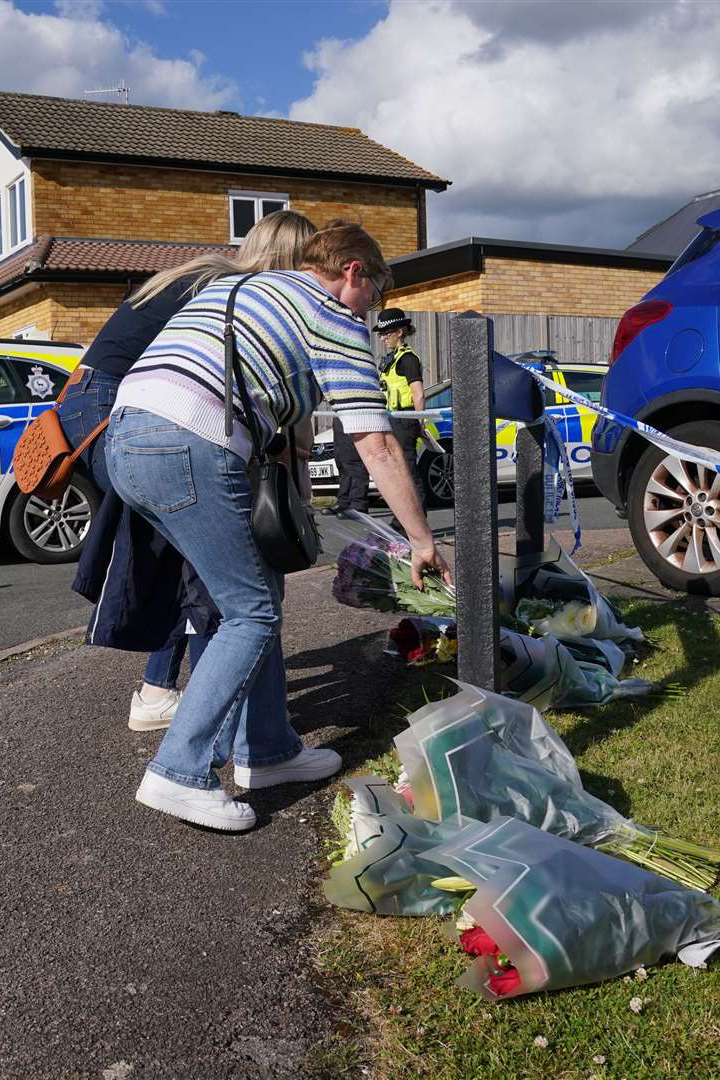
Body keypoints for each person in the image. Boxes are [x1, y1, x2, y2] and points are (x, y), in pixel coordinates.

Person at [105, 220, 453, 832]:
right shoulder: (331, 315)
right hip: (189, 442)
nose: (374, 309)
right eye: (375, 291)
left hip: (127, 437)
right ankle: (178, 771)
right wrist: (420, 540)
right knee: (251, 611)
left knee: (252, 590)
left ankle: (265, 750)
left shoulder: (238, 290)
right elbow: (375, 441)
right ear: (352, 271)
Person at [59, 211, 318, 732]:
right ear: (287, 261)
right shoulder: (235, 292)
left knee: (184, 550)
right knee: (207, 556)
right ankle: (213, 711)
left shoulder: (199, 272)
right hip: (120, 408)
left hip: (89, 404)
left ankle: (159, 693)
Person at [373, 308, 428, 506]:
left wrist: (419, 422)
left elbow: (419, 393)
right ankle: (402, 521)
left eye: (386, 334)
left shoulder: (408, 359)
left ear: (400, 332)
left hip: (405, 419)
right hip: (392, 418)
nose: (382, 339)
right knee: (396, 471)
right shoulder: (392, 358)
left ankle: (418, 521)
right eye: (381, 334)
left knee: (408, 470)